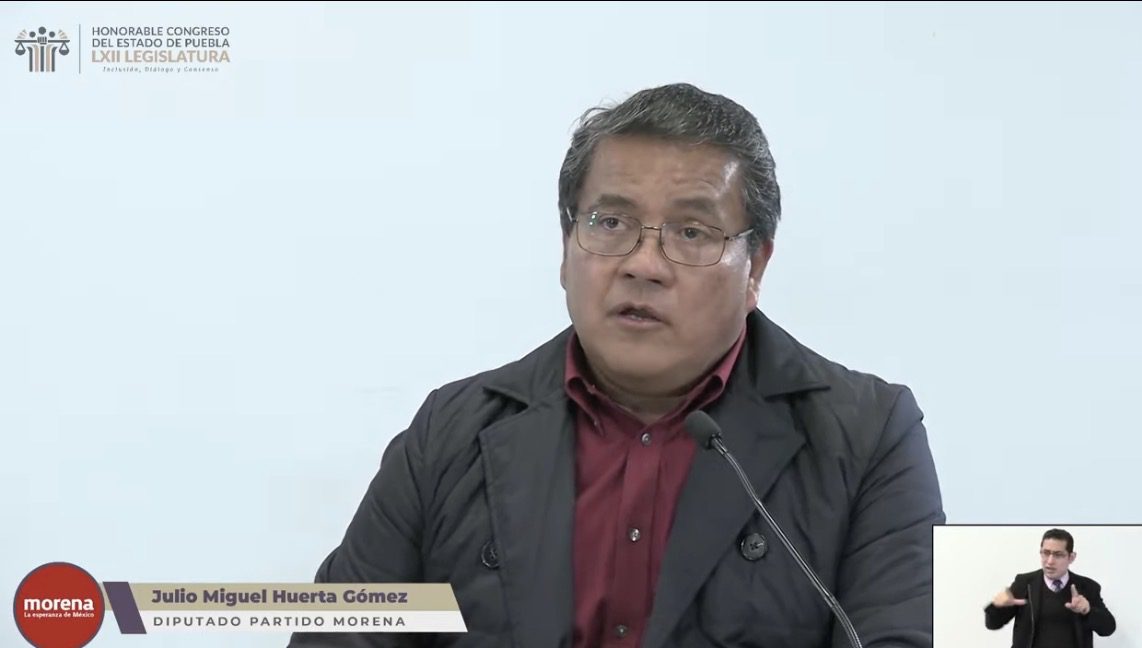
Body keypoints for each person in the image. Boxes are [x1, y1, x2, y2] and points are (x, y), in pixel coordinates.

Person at [289, 83, 945, 647]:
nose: (642, 264)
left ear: (756, 268)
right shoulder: (451, 432)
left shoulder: (867, 437)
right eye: (609, 223)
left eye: (691, 232)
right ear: (565, 245)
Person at [985, 528, 1116, 648]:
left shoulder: (1087, 587)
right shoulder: (1025, 583)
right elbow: (992, 624)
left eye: (1058, 555)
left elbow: (1108, 629)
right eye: (1046, 553)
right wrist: (996, 606)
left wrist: (1087, 610)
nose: (1050, 561)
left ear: (1071, 557)